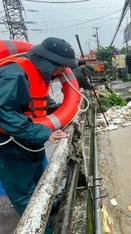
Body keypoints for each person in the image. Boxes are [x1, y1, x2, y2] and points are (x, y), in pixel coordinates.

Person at [0, 37, 76, 219]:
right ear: (50, 63)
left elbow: (41, 104)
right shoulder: (13, 73)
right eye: (62, 67)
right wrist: (42, 133)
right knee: (24, 193)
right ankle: (42, 228)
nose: (63, 72)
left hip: (30, 142)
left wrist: (65, 113)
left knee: (40, 182)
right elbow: (3, 112)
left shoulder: (39, 75)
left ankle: (49, 210)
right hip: (11, 146)